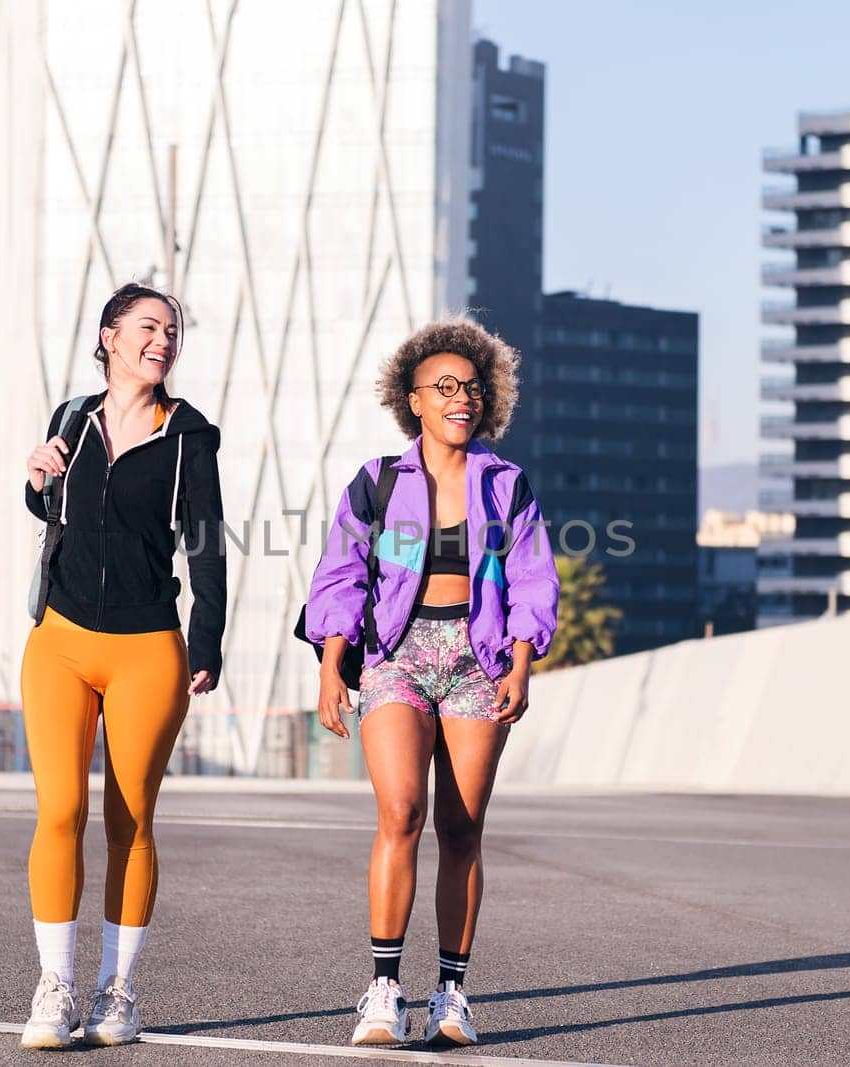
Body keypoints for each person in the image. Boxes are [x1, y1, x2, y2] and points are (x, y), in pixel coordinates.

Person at [304, 318, 559, 1046]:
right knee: (403, 810)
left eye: (472, 388)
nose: (461, 398)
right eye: (443, 386)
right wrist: (331, 664)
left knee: (461, 826)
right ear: (412, 399)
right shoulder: (379, 481)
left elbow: (534, 578)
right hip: (397, 654)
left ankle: (452, 993)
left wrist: (519, 661)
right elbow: (342, 575)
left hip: (478, 661)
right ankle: (384, 988)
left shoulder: (506, 486)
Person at [18, 283, 226, 1049]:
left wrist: (207, 639)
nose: (162, 339)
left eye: (171, 330)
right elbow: (51, 511)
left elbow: (204, 543)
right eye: (147, 326)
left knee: (128, 819)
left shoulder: (190, 437)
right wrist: (37, 480)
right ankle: (55, 987)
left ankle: (118, 991)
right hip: (61, 640)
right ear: (108, 336)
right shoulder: (72, 417)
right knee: (59, 809)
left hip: (148, 647)